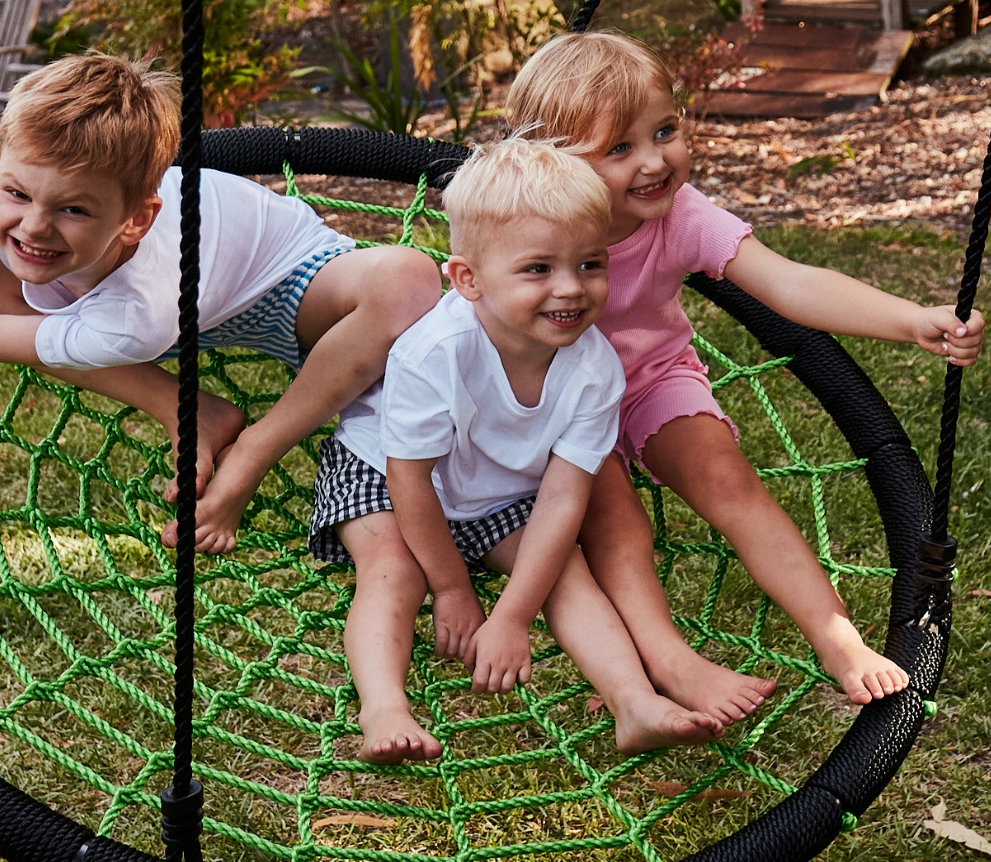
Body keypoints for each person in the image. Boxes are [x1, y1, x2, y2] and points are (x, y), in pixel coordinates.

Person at [506, 30, 987, 706]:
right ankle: (660, 662)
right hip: (553, 403)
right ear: (552, 160)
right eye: (619, 147)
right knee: (616, 527)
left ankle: (837, 636)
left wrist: (910, 320)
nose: (654, 161)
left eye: (664, 129)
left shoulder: (679, 214)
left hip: (650, 380)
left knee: (730, 481)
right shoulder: (523, 222)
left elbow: (789, 285)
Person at [0, 54, 440, 551]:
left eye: (72, 209)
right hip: (176, 308)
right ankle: (192, 411)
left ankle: (253, 449)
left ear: (136, 220)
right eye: (17, 192)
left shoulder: (139, 309)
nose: (33, 226)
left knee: (406, 278)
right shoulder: (21, 211)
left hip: (291, 288)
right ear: (0, 168)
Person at [310, 137, 724, 764]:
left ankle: (633, 702)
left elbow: (562, 499)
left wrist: (510, 617)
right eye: (538, 269)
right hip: (384, 471)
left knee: (563, 572)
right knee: (394, 568)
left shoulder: (595, 369)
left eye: (590, 264)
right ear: (468, 280)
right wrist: (451, 588)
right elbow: (410, 480)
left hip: (497, 483)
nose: (571, 288)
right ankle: (384, 709)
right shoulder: (434, 352)